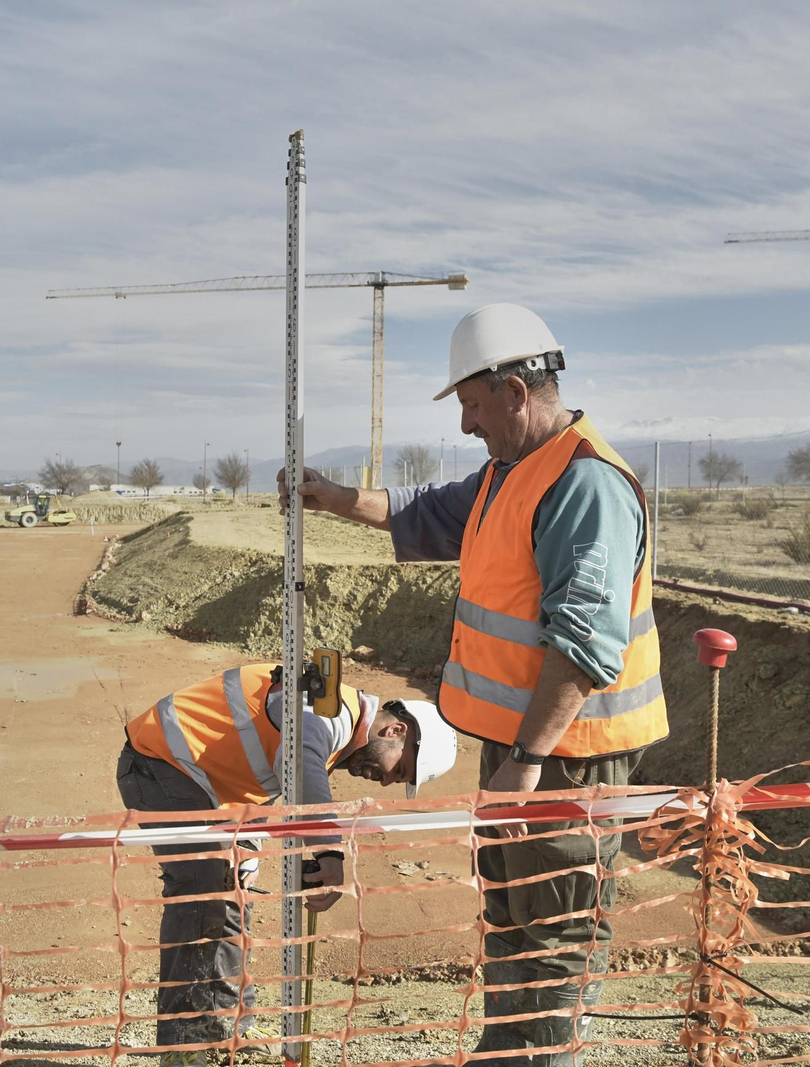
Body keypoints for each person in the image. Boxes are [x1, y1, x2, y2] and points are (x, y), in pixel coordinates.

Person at [280, 303, 667, 1066]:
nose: (466, 425)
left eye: (472, 404)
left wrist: (525, 761)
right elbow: (422, 515)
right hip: (521, 751)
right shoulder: (507, 474)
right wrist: (332, 497)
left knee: (554, 932)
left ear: (516, 393)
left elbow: (584, 649)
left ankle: (546, 1057)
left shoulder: (582, 485)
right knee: (508, 915)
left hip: (568, 758)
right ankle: (507, 1054)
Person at [117, 662, 458, 1066]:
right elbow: (298, 766)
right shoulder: (326, 711)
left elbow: (265, 771)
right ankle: (180, 1042)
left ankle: (230, 1026)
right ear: (396, 731)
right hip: (159, 762)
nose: (384, 781)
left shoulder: (332, 726)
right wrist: (329, 852)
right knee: (200, 891)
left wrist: (249, 845)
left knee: (233, 894)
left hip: (210, 786)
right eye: (397, 769)